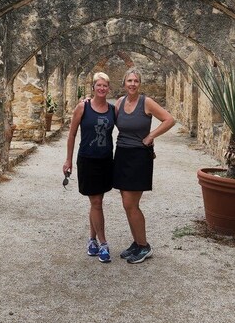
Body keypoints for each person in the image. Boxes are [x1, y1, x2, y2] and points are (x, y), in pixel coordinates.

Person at [114, 67, 175, 264]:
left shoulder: (146, 102)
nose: (132, 84)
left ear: (140, 84)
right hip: (121, 154)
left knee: (131, 204)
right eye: (129, 81)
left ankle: (144, 246)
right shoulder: (119, 103)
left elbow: (169, 119)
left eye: (136, 81)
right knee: (126, 203)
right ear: (124, 83)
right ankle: (137, 242)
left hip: (139, 156)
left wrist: (151, 136)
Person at [63, 72, 115, 263]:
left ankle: (92, 240)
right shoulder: (83, 107)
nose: (102, 88)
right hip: (88, 159)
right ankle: (103, 243)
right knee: (96, 202)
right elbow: (71, 135)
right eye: (99, 85)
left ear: (109, 88)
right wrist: (68, 160)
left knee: (97, 201)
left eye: (105, 86)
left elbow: (126, 125)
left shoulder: (112, 110)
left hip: (106, 160)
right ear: (93, 87)